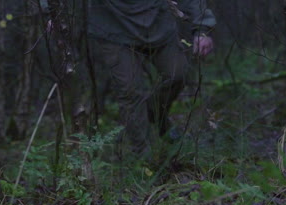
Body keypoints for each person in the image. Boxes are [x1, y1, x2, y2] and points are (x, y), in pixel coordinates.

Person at [88, 0, 216, 156]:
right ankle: (143, 157)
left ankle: (154, 115)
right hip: (113, 29)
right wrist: (50, 12)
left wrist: (202, 28)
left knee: (178, 73)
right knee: (130, 92)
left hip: (159, 26)